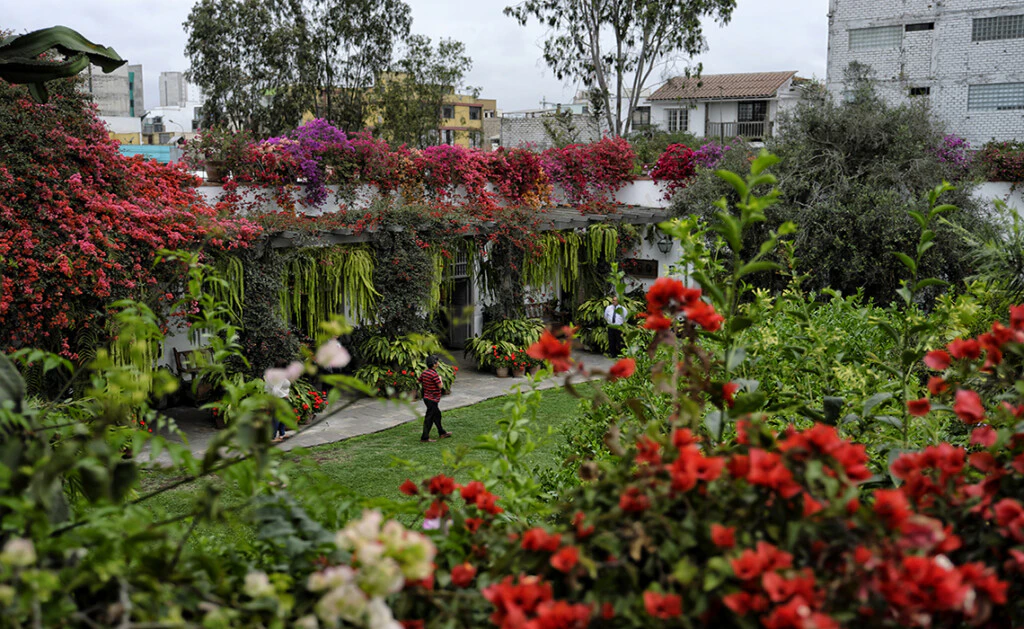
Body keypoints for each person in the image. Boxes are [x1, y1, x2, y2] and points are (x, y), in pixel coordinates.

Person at [418, 355, 451, 443]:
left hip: (427, 398)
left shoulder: (425, 372)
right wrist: (440, 379)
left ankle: (442, 433)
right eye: (437, 362)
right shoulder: (434, 374)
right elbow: (440, 386)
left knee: (437, 415)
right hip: (432, 400)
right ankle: (424, 438)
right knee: (429, 418)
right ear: (434, 364)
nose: (438, 363)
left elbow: (419, 380)